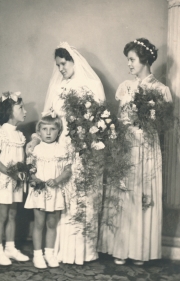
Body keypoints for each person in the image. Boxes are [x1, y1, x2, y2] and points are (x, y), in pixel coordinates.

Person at [26, 42, 106, 265]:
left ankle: (82, 252)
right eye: (58, 65)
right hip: (59, 147)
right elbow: (47, 121)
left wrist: (86, 141)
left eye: (64, 64)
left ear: (73, 61)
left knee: (81, 196)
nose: (61, 69)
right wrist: (35, 140)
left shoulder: (91, 83)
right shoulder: (58, 86)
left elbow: (99, 120)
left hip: (83, 146)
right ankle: (55, 251)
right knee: (59, 196)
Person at [98, 38, 172, 265]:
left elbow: (162, 126)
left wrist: (144, 120)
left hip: (147, 149)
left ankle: (140, 251)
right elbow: (120, 120)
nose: (129, 64)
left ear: (145, 59)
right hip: (126, 146)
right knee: (123, 193)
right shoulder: (125, 87)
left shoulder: (162, 90)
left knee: (142, 194)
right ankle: (120, 248)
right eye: (128, 60)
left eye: (132, 59)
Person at [0, 91, 29, 266]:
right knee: (2, 215)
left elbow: (20, 159)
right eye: (21, 108)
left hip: (15, 181)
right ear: (10, 111)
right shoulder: (0, 134)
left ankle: (10, 248)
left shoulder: (19, 135)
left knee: (12, 213)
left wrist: (23, 171)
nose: (25, 111)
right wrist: (11, 172)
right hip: (4, 180)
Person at [24, 112, 72, 269]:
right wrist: (34, 177)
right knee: (39, 223)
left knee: (52, 223)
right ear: (39, 131)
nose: (49, 133)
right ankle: (38, 255)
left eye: (52, 129)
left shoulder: (62, 150)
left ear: (58, 131)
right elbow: (30, 168)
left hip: (54, 191)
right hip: (39, 191)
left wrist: (57, 180)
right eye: (45, 129)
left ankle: (49, 254)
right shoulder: (36, 149)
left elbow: (67, 170)